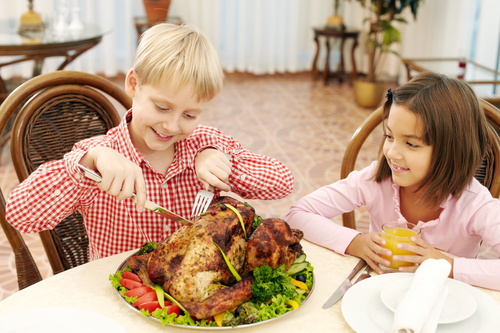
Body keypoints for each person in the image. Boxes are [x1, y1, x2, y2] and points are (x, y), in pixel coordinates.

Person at [6, 23, 294, 260]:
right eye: (162, 107)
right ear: (133, 84)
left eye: (189, 114)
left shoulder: (205, 142)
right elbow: (20, 214)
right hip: (120, 297)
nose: (171, 125)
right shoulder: (98, 157)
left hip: (194, 296)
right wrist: (88, 163)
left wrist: (221, 162)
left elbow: (283, 182)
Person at [285, 71, 500, 290]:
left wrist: (450, 266)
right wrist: (356, 242)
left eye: (411, 144)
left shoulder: (474, 204)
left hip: (445, 305)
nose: (392, 153)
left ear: (453, 151)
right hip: (377, 293)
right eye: (390, 137)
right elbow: (297, 215)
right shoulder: (375, 180)